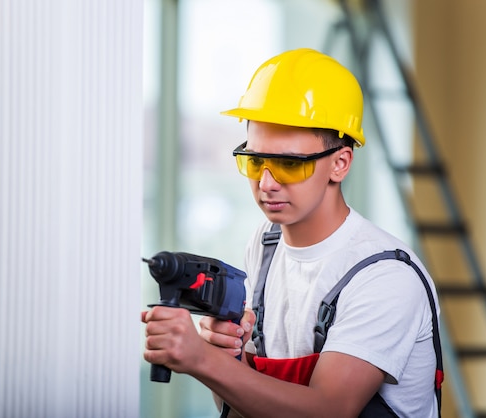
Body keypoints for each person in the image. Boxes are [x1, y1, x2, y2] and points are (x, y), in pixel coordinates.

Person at [142, 48, 442, 418]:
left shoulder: (385, 276)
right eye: (255, 161)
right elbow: (242, 405)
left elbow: (330, 410)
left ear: (340, 163)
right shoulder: (266, 243)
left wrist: (203, 360)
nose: (266, 183)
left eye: (288, 163)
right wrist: (227, 356)